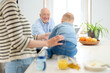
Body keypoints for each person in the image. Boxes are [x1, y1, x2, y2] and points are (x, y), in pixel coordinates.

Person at [0, 0, 64, 73]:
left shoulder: (11, 5)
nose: (46, 16)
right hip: (19, 63)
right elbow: (19, 42)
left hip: (21, 62)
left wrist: (42, 36)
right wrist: (47, 43)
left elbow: (23, 37)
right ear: (40, 15)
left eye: (48, 14)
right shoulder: (9, 4)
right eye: (44, 14)